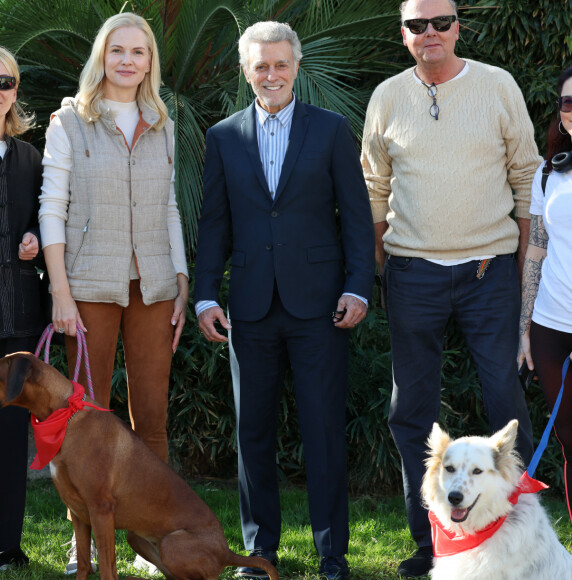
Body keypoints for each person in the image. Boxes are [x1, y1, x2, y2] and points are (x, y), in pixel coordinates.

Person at [361, 0, 540, 576]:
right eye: (418, 25)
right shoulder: (387, 97)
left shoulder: (497, 85)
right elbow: (374, 191)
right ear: (404, 34)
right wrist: (388, 267)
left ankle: (520, 533)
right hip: (414, 273)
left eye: (441, 22)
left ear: (458, 27)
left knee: (505, 400)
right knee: (410, 409)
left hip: (490, 271)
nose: (431, 32)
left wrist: (520, 271)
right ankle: (430, 542)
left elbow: (525, 177)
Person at [195, 21, 375, 580]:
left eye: (280, 64)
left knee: (322, 432)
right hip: (248, 308)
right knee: (253, 433)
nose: (270, 75)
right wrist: (205, 296)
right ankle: (260, 552)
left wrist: (357, 286)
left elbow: (356, 218)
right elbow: (215, 223)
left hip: (321, 307)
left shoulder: (331, 130)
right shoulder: (224, 136)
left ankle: (332, 556)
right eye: (260, 66)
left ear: (296, 66)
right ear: (246, 71)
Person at [38, 12, 188, 576]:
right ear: (101, 56)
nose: (128, 60)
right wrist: (60, 290)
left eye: (139, 51)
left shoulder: (162, 123)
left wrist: (180, 278)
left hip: (152, 284)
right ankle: (89, 548)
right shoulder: (69, 122)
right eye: (117, 50)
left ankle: (152, 539)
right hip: (87, 286)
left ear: (150, 61)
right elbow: (52, 208)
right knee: (88, 422)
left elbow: (169, 206)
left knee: (150, 419)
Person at [0, 45, 44, 573]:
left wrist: (31, 234)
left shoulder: (30, 157)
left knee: (10, 442)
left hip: (18, 323)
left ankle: (5, 545)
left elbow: (39, 219)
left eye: (4, 82)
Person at [519, 66, 572, 525]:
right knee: (570, 438)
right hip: (553, 325)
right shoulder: (547, 172)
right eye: (568, 102)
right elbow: (536, 248)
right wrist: (524, 329)